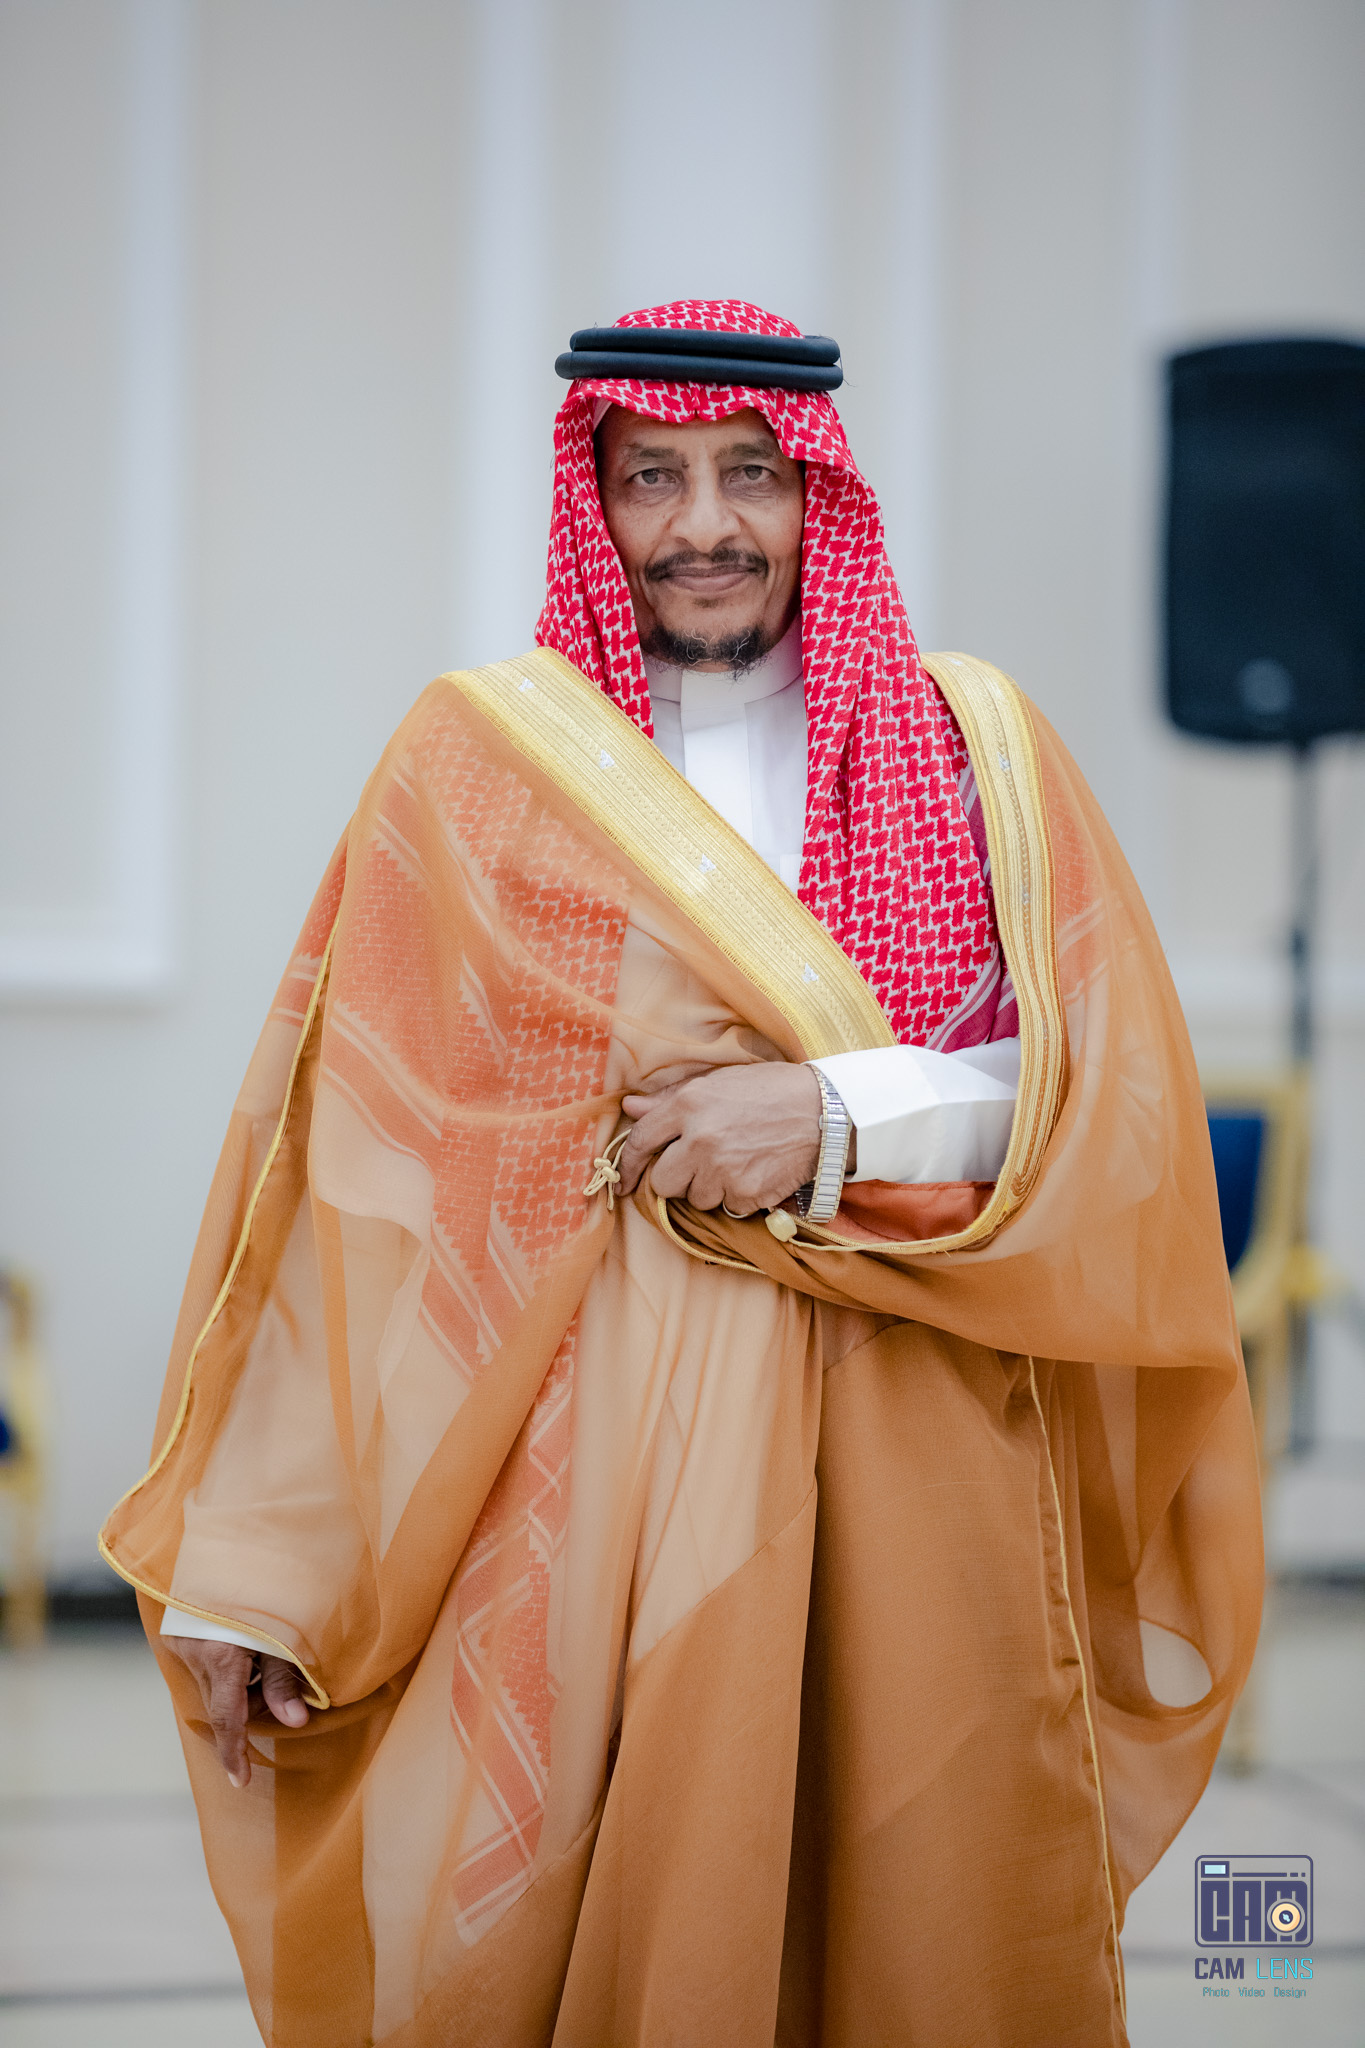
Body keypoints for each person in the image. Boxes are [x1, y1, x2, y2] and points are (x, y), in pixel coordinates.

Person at [102, 300, 1262, 2048]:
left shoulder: (976, 750)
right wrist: (260, 1562)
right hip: (579, 1483)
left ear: (818, 495)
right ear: (594, 497)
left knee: (913, 1908)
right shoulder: (483, 765)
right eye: (651, 477)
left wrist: (836, 1115)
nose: (703, 525)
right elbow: (367, 1183)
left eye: (749, 476)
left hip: (916, 1440)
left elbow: (1098, 1097)